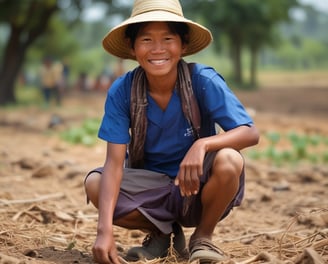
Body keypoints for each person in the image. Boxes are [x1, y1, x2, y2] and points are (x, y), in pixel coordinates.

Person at [84, 0, 260, 263]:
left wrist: (202, 146)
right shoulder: (122, 91)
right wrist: (103, 231)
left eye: (168, 38)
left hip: (197, 186)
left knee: (230, 160)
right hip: (151, 189)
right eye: (146, 40)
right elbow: (114, 163)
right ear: (132, 48)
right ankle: (162, 233)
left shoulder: (203, 80)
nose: (158, 49)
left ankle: (203, 237)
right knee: (95, 184)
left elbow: (249, 132)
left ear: (183, 45)